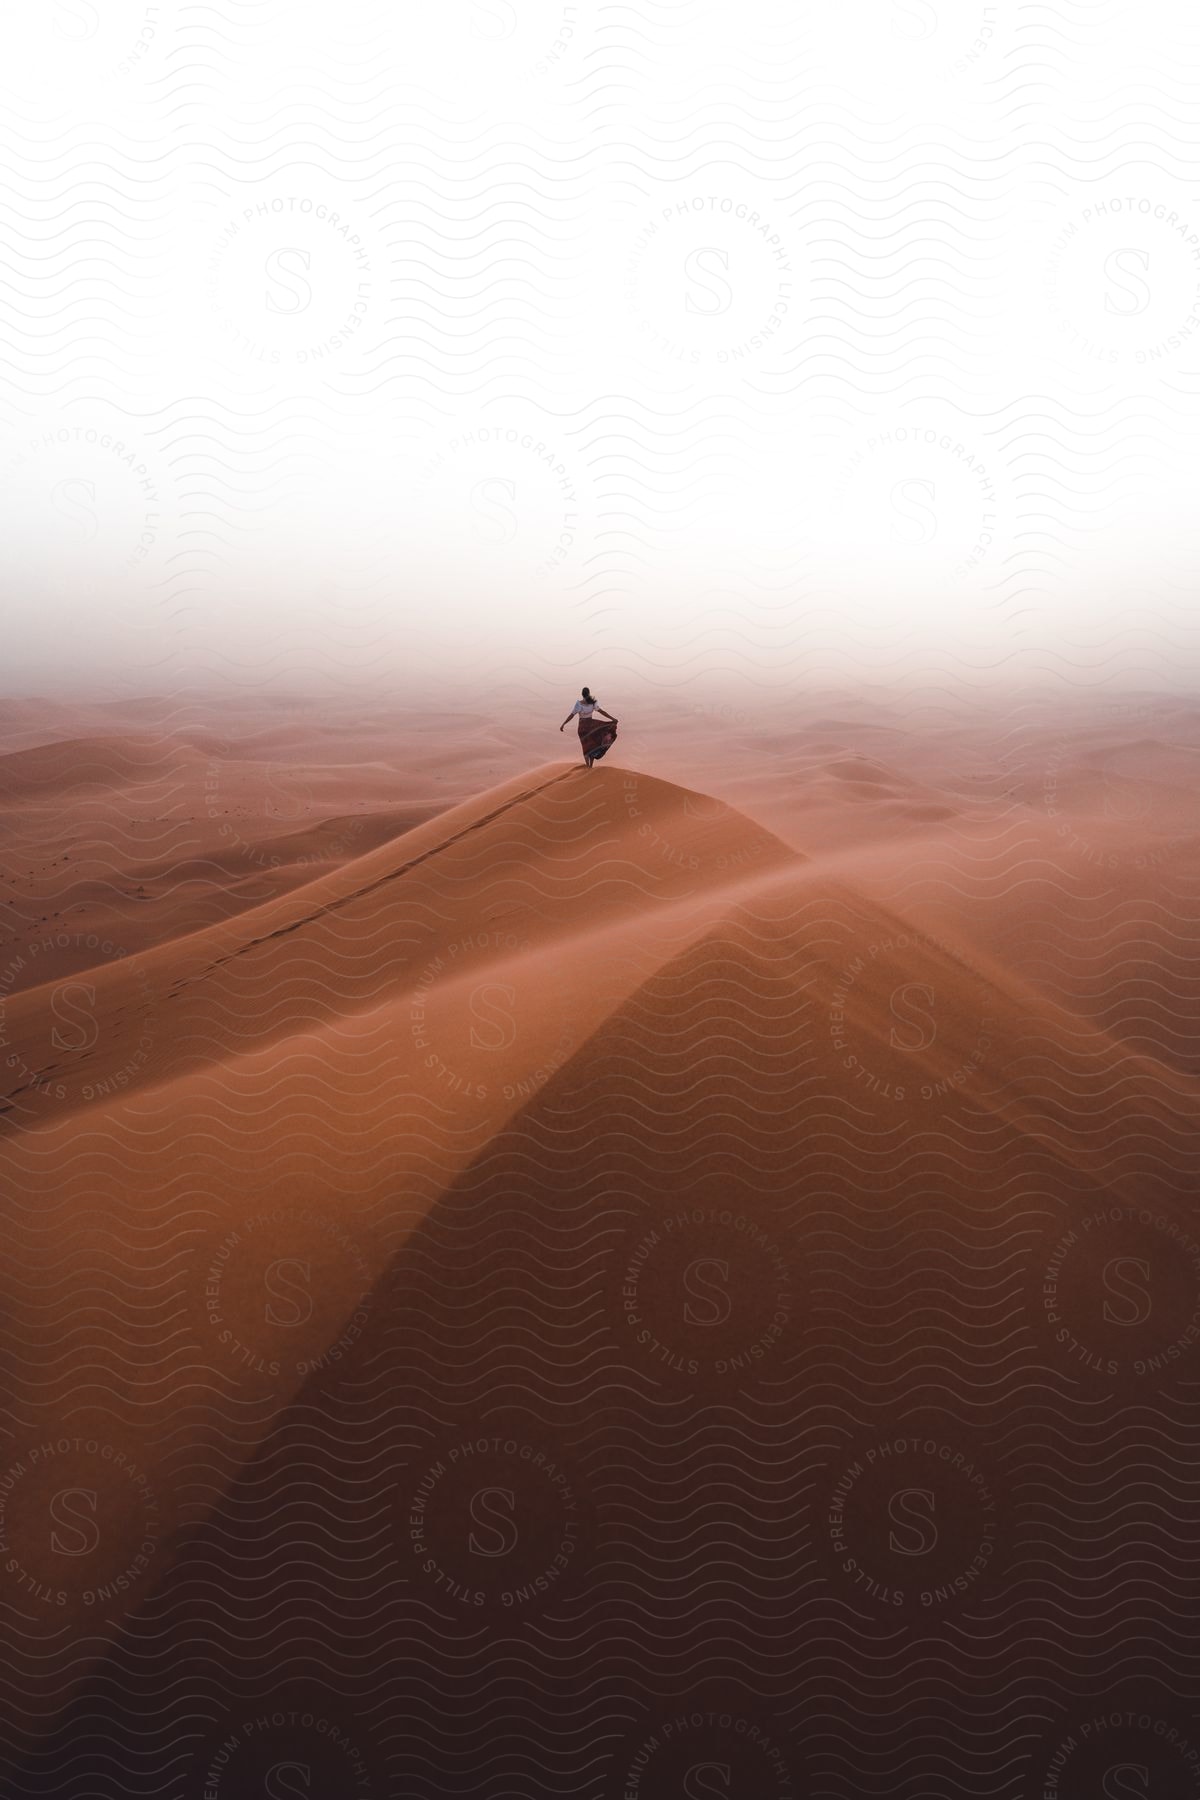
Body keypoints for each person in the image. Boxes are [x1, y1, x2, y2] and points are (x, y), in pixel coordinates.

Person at [559, 686, 619, 767]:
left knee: (586, 747)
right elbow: (602, 712)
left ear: (582, 694)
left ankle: (588, 767)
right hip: (591, 726)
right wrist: (612, 718)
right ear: (589, 693)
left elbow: (571, 715)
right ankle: (591, 765)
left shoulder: (578, 704)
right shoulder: (593, 703)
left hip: (582, 728)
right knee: (592, 746)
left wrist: (563, 724)